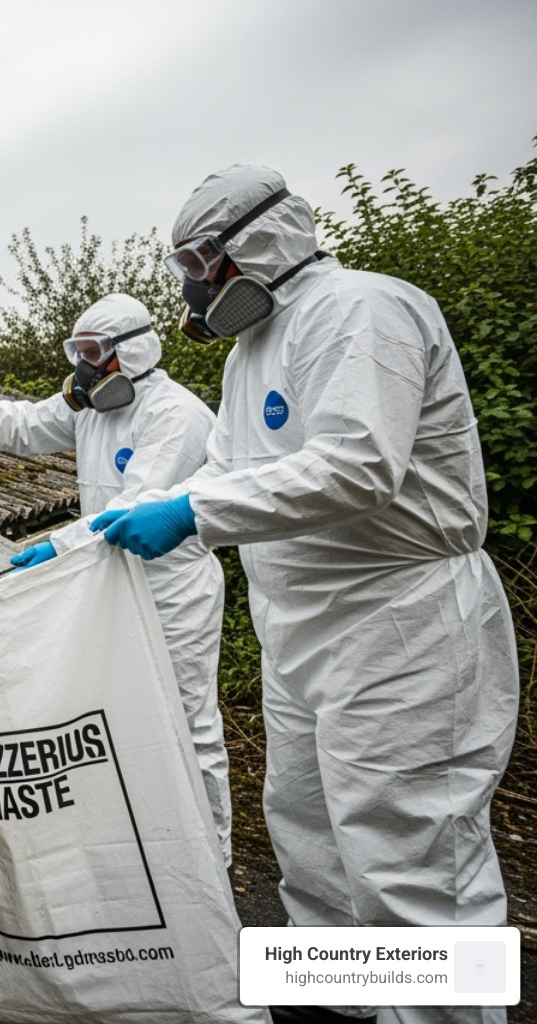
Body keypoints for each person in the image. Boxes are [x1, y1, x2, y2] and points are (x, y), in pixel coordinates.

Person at [96, 165, 518, 1024]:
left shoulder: (361, 308)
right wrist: (73, 547)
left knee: (411, 854)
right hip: (303, 632)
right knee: (310, 835)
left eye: (196, 261)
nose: (190, 285)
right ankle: (336, 1006)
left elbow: (359, 464)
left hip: (402, 628)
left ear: (251, 245)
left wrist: (193, 512)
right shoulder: (251, 356)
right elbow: (222, 473)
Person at [0, 294, 232, 863]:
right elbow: (28, 424)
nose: (81, 368)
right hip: (107, 579)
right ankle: (147, 844)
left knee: (186, 717)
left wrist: (58, 546)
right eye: (76, 351)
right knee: (120, 708)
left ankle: (209, 855)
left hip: (172, 589)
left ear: (130, 352)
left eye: (92, 353)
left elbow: (139, 505)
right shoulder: (92, 408)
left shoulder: (175, 415)